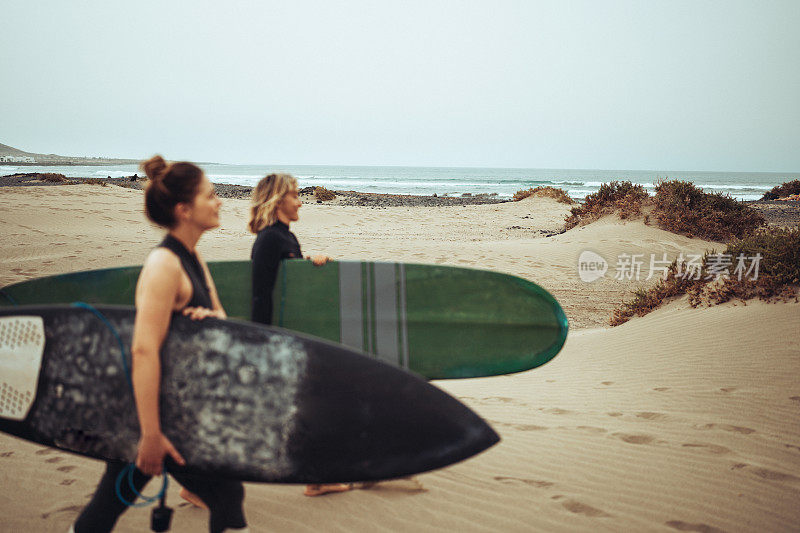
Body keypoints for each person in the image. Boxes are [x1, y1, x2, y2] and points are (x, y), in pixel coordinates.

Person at [71, 155, 248, 533]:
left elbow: (221, 318)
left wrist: (211, 321)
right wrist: (150, 435)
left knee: (223, 495)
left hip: (180, 412)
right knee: (223, 495)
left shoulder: (192, 257)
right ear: (185, 209)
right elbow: (144, 349)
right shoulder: (163, 265)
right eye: (211, 195)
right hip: (155, 417)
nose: (219, 202)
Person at [248, 173, 349, 497]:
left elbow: (287, 282)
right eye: (294, 195)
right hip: (275, 341)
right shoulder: (269, 239)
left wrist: (309, 266)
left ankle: (317, 477)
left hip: (286, 339)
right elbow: (262, 295)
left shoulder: (284, 238)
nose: (301, 200)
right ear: (278, 201)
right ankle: (201, 482)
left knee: (305, 407)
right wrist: (264, 343)